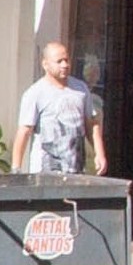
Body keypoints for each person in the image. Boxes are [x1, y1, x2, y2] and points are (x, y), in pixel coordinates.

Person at [13, 41, 107, 176]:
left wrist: (99, 153)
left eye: (66, 60)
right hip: (45, 170)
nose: (65, 65)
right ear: (45, 64)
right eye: (59, 61)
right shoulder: (35, 93)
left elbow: (91, 124)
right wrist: (16, 168)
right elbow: (24, 131)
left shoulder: (80, 89)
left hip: (76, 169)